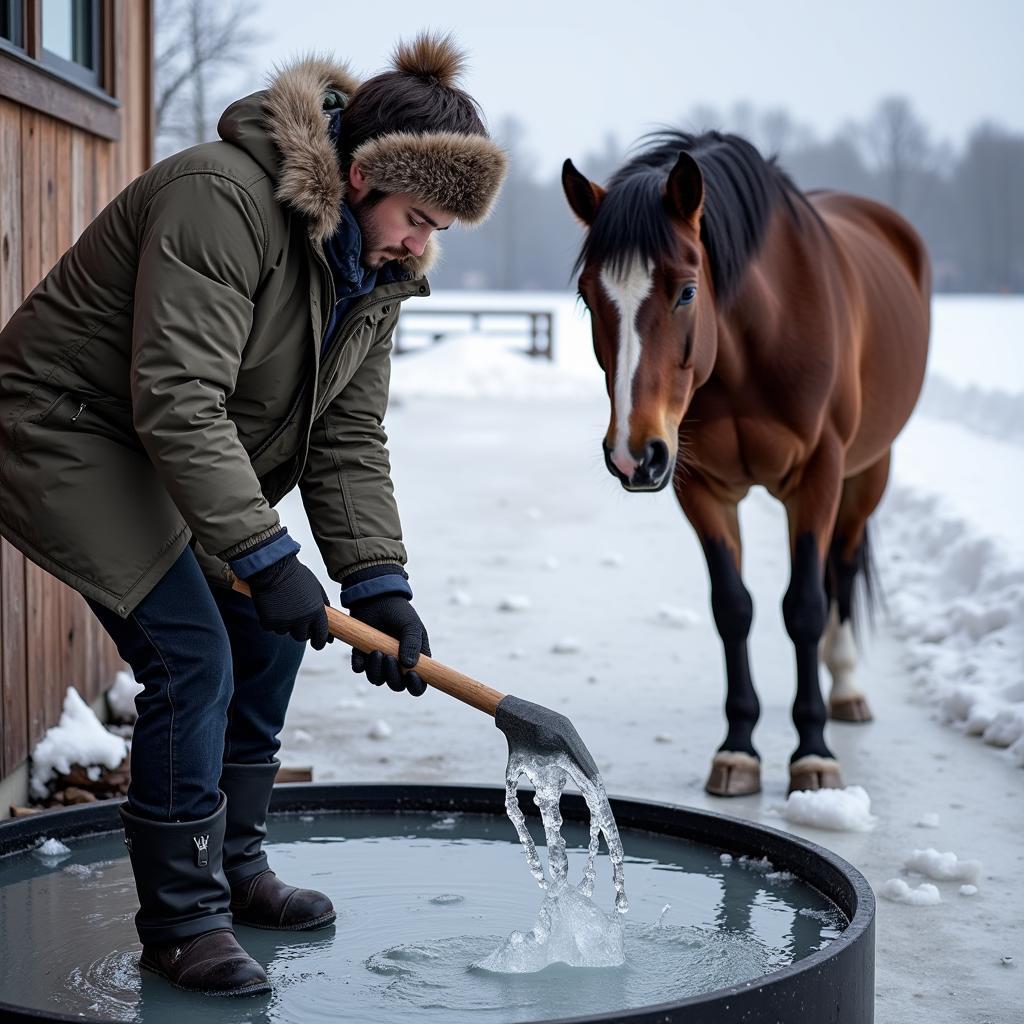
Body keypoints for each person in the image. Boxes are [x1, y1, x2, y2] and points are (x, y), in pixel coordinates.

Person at [0, 32, 506, 997]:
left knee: (269, 637)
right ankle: (181, 922)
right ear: (360, 177)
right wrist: (264, 552)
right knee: (194, 653)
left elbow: (346, 436)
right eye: (416, 217)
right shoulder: (220, 198)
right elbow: (179, 396)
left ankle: (234, 867)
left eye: (442, 228)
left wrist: (379, 585)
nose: (422, 245)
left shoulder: (378, 273)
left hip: (165, 446)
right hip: (65, 427)